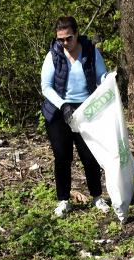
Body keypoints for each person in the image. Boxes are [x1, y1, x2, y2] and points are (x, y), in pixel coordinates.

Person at [41, 16, 110, 218]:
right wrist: (63, 105)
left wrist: (109, 79)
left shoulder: (90, 51)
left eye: (68, 38)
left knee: (89, 156)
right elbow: (46, 86)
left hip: (86, 110)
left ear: (77, 33)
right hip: (59, 110)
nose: (64, 43)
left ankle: (97, 196)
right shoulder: (53, 56)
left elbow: (101, 76)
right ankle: (63, 200)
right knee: (62, 156)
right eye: (60, 39)